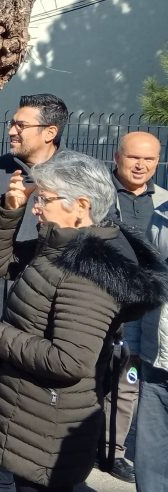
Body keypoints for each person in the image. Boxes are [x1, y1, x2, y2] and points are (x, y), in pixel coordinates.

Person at [0, 151, 168, 492]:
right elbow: (1, 262)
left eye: (45, 199)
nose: (36, 207)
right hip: (29, 410)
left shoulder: (88, 270)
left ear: (81, 205)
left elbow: (70, 360)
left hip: (48, 422)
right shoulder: (62, 243)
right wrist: (10, 208)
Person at [98, 131, 167, 483]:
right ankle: (86, 444)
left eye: (149, 159)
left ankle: (114, 451)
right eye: (134, 157)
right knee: (92, 377)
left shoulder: (164, 203)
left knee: (128, 381)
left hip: (141, 309)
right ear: (116, 157)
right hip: (101, 301)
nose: (141, 165)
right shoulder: (99, 195)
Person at [0, 94, 69, 331]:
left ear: (50, 132)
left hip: (45, 311)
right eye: (12, 123)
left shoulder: (78, 175)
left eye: (21, 125)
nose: (12, 131)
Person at [135, 190, 168, 489]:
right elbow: (145, 282)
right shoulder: (161, 215)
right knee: (150, 462)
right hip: (156, 357)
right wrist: (135, 342)